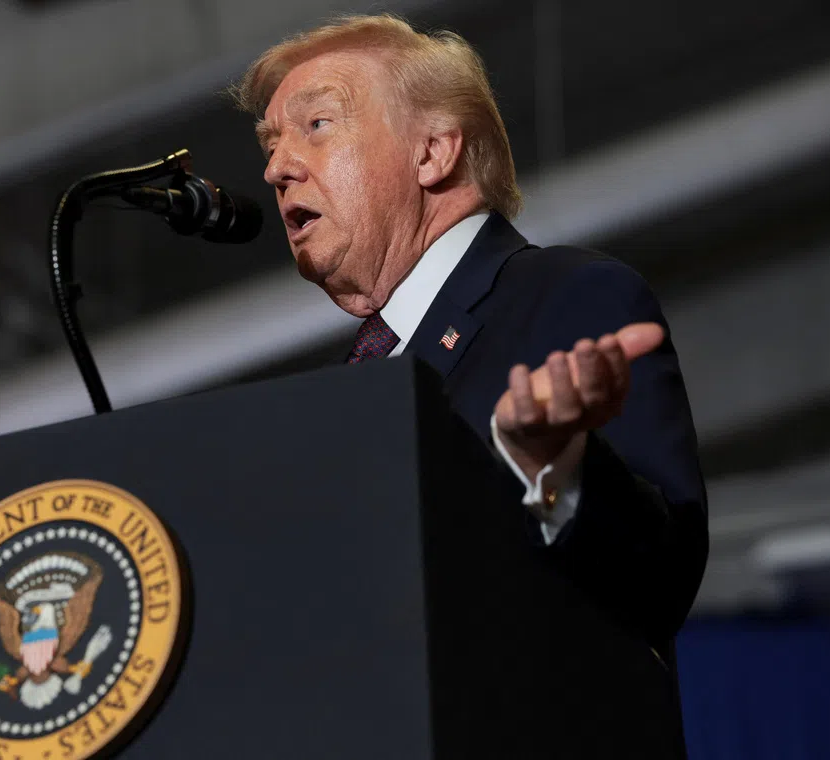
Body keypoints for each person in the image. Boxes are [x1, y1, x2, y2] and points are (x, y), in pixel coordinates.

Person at [233, 14, 707, 649]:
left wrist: (554, 463)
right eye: (271, 144)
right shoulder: (351, 379)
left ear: (433, 151)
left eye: (317, 125)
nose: (276, 169)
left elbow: (662, 582)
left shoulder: (567, 293)